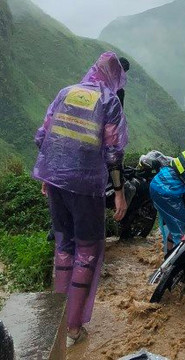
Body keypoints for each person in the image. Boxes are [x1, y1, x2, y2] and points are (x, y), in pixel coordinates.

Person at [33, 52, 129, 347]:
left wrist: (50, 175)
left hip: (56, 181)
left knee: (64, 247)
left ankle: (59, 323)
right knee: (86, 251)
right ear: (114, 76)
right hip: (86, 185)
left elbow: (43, 135)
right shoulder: (108, 101)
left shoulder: (66, 93)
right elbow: (113, 151)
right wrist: (119, 193)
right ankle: (73, 328)